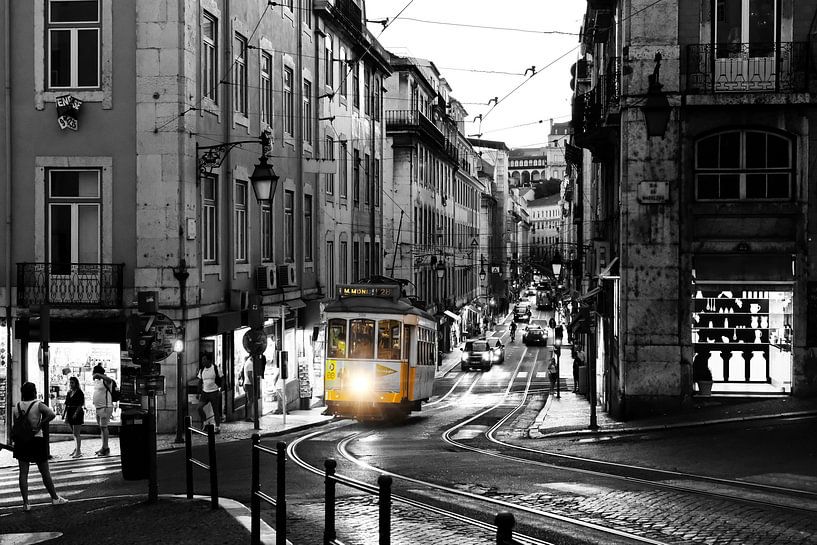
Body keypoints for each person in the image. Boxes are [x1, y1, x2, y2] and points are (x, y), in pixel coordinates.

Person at [13, 382, 68, 511]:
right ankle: (54, 498)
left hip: (22, 442)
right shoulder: (38, 405)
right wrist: (40, 424)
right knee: (45, 472)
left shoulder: (17, 406)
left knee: (23, 473)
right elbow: (51, 414)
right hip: (36, 440)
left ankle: (26, 503)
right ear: (34, 391)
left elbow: (15, 425)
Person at [92, 365, 115, 456]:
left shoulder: (105, 380)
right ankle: (103, 447)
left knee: (104, 427)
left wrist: (99, 375)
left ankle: (106, 448)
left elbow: (110, 380)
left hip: (105, 406)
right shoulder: (97, 381)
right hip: (98, 407)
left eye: (94, 372)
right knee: (101, 428)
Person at [196, 354, 223, 433]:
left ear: (209, 360)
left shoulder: (215, 368)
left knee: (215, 410)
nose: (202, 361)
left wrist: (221, 390)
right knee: (199, 408)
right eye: (202, 360)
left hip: (214, 392)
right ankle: (205, 422)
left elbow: (222, 378)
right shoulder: (202, 370)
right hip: (205, 392)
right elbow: (200, 381)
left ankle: (217, 427)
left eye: (204, 360)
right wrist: (198, 392)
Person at [63, 377, 85, 458]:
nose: (71, 384)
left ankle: (78, 451)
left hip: (77, 413)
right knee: (74, 433)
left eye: (72, 383)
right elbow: (66, 404)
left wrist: (76, 413)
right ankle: (76, 448)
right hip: (70, 412)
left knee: (76, 433)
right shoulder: (69, 392)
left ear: (76, 383)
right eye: (70, 383)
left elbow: (80, 404)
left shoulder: (79, 392)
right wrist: (64, 415)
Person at [241, 354, 257, 422]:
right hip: (249, 384)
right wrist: (254, 385)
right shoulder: (250, 363)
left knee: (250, 401)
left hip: (248, 383)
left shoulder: (248, 362)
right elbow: (250, 375)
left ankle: (249, 416)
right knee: (250, 401)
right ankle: (249, 416)